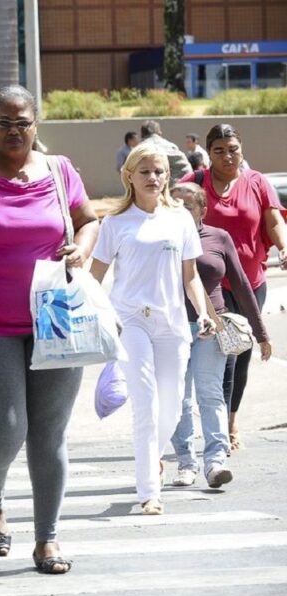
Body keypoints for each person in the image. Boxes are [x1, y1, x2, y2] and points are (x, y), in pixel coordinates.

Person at [0, 85, 99, 574]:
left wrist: (84, 247)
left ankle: (47, 539)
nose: (13, 131)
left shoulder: (59, 170)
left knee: (48, 434)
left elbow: (88, 220)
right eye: (4, 122)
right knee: (4, 429)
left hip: (56, 318)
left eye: (22, 122)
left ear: (36, 123)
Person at [90, 144, 214, 517]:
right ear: (129, 176)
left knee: (173, 407)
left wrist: (203, 312)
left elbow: (189, 276)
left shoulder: (180, 220)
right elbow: (95, 278)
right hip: (131, 321)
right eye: (145, 172)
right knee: (145, 404)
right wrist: (104, 317)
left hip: (173, 322)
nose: (154, 178)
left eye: (159, 171)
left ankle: (153, 459)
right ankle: (149, 490)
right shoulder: (114, 223)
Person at [183, 124, 287, 451]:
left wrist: (284, 247)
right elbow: (167, 208)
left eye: (233, 149)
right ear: (208, 153)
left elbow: (273, 219)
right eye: (219, 150)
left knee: (240, 356)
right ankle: (218, 425)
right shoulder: (195, 183)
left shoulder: (257, 182)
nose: (227, 156)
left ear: (241, 149)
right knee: (221, 356)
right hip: (211, 284)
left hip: (251, 281)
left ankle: (230, 417)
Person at [169, 183, 270, 489]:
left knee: (210, 392)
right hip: (171, 329)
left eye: (187, 206)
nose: (181, 212)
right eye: (174, 206)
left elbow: (240, 284)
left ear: (202, 209)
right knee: (179, 398)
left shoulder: (218, 237)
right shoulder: (161, 239)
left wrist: (261, 331)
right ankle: (185, 463)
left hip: (209, 327)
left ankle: (215, 462)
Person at [139, 120, 190, 187]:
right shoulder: (170, 146)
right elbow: (186, 170)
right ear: (160, 133)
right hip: (172, 188)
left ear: (142, 135)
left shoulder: (139, 149)